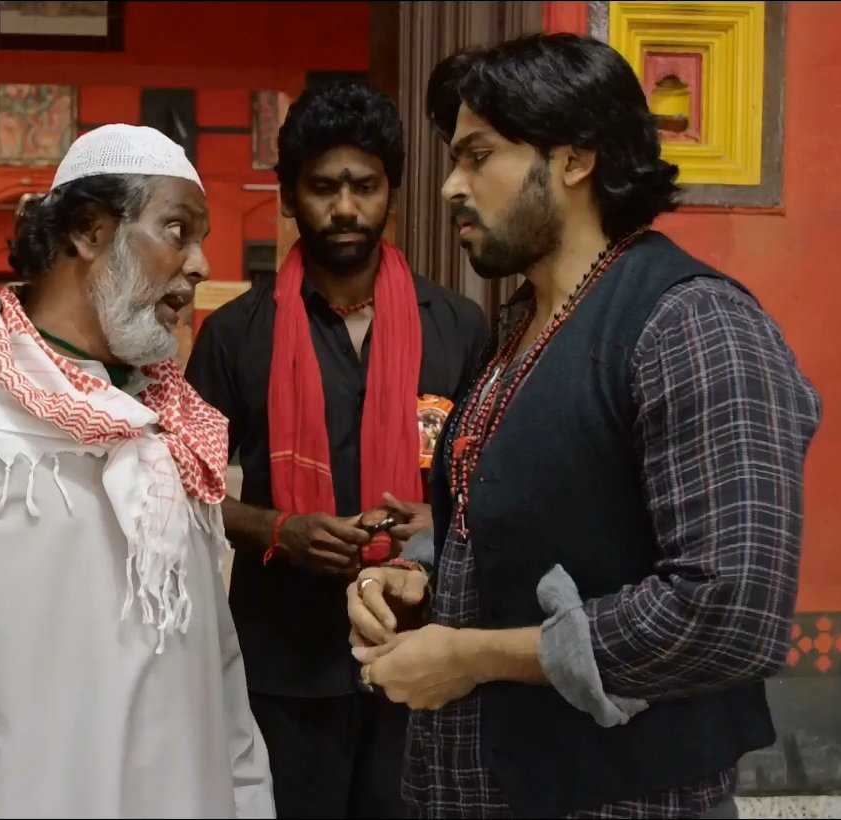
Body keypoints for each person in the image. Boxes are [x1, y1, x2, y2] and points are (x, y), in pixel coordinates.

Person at [346, 33, 822, 818]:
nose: (451, 186)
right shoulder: (518, 328)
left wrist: (473, 656)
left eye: (478, 156)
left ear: (574, 158)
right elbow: (528, 521)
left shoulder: (691, 323)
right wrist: (419, 581)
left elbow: (729, 612)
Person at [0, 123, 275, 819]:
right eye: (177, 230)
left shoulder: (172, 420)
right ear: (90, 231)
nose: (199, 264)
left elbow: (216, 666)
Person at [184, 81, 491, 818]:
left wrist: (435, 523)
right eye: (324, 187)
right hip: (283, 658)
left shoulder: (457, 327)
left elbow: (493, 479)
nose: (346, 208)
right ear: (290, 196)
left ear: (392, 193)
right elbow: (179, 490)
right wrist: (278, 529)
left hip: (422, 648)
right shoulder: (235, 335)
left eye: (365, 186)